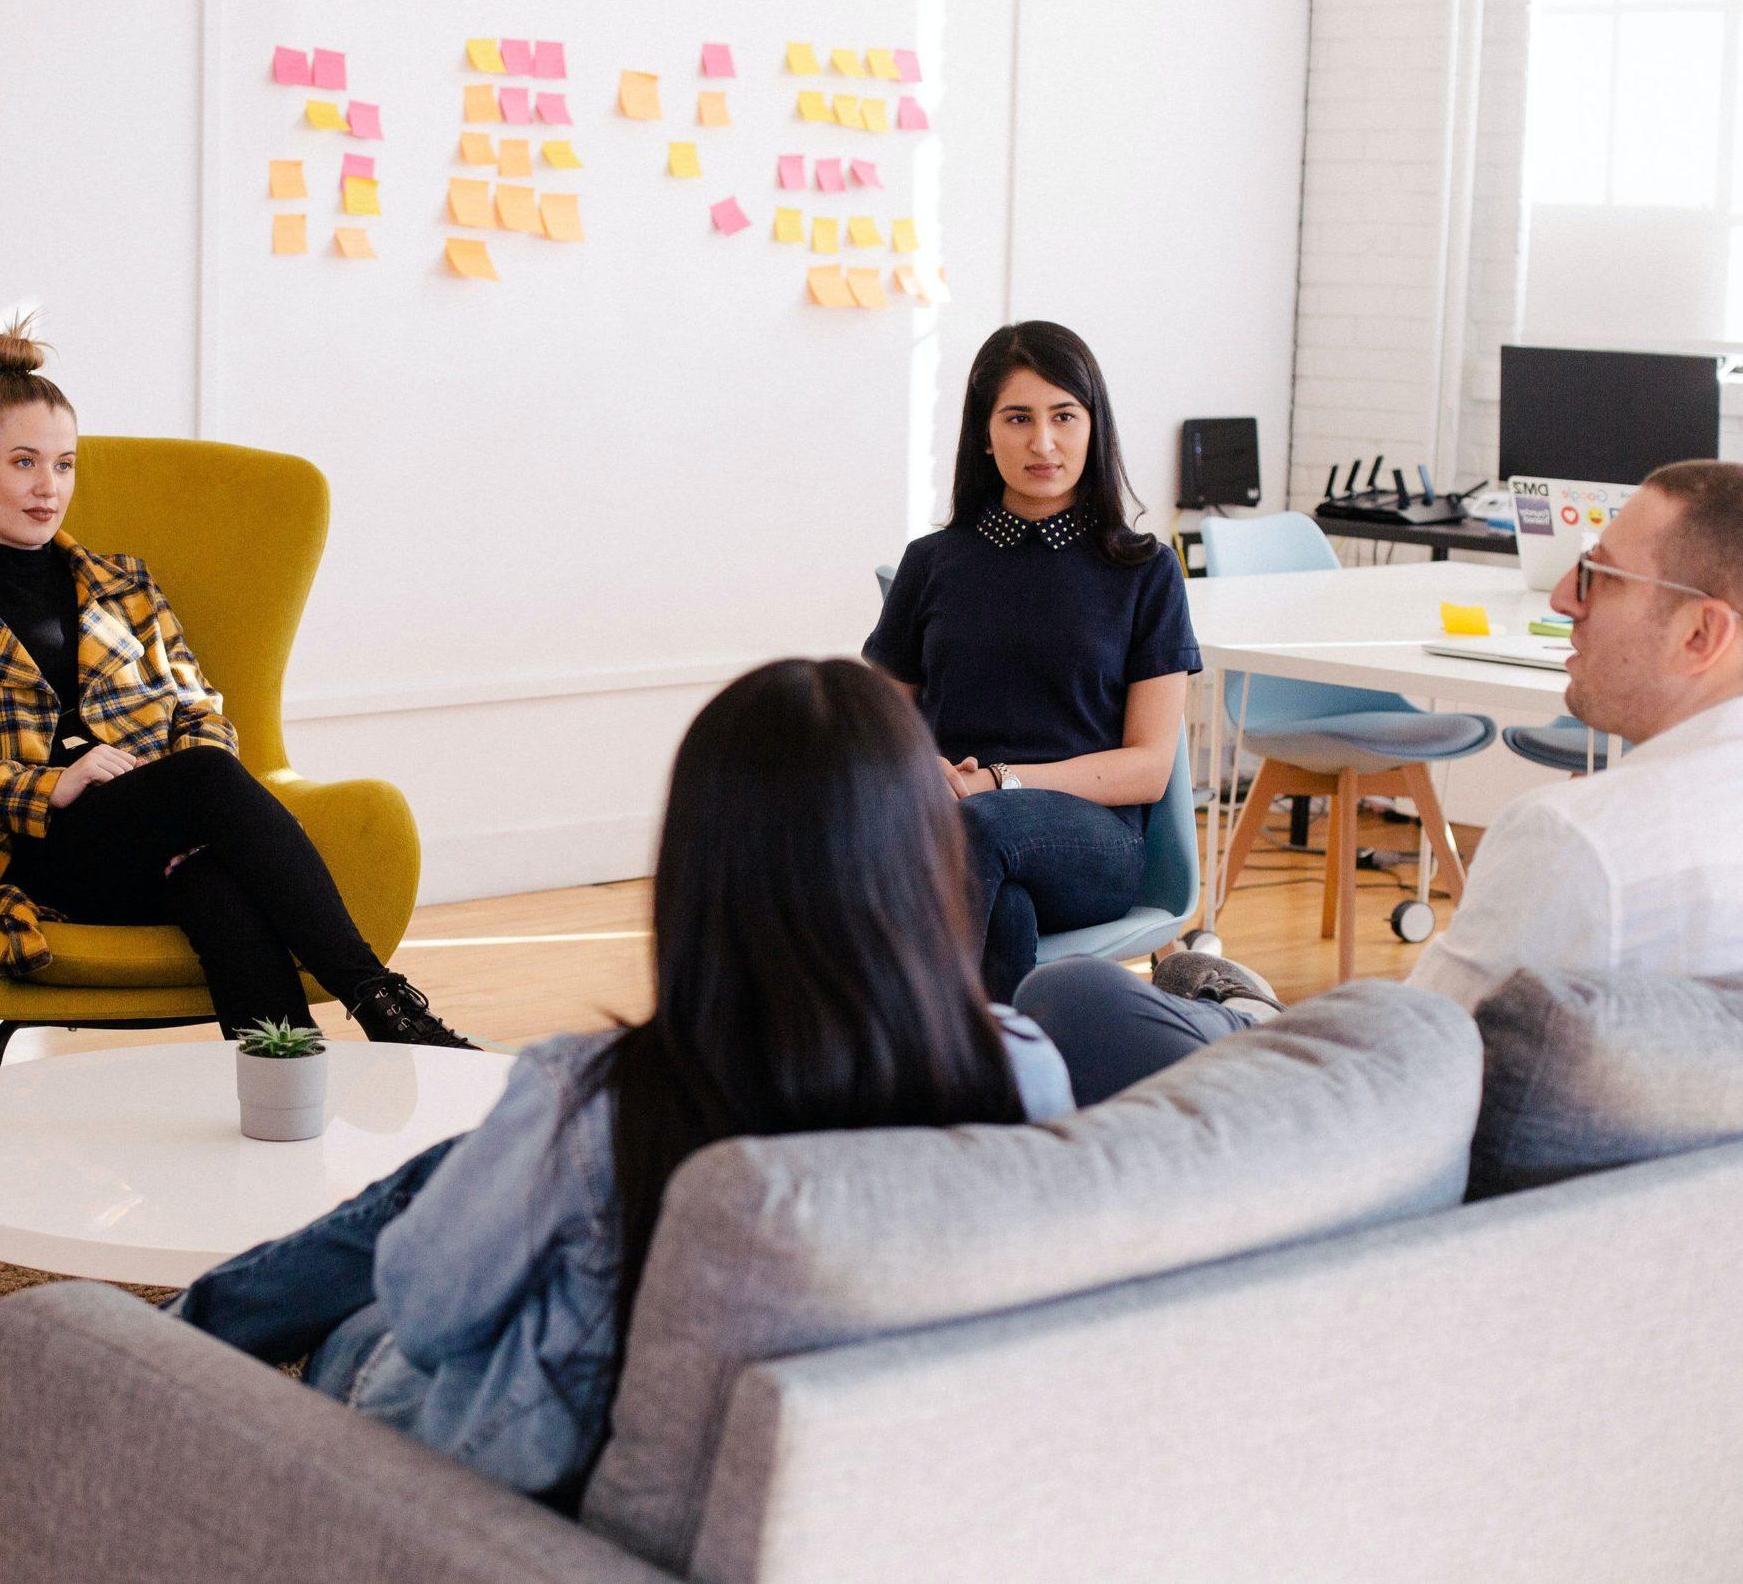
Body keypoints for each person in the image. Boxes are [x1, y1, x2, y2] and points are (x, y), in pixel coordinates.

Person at [170, 658, 1072, 1503]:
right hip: (842, 1475)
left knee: (382, 1289)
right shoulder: (1020, 1064)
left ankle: (155, 1347)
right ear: (924, 855)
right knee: (462, 1166)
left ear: (700, 865)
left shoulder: (603, 1097)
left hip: (511, 1476)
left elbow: (427, 1310)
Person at [1020, 459, 1743, 1103]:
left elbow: (1411, 1064)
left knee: (1073, 992)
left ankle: (1255, 1021)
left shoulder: (1577, 843)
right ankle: (1256, 1016)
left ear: (1701, 635)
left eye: (1599, 575)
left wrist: (1297, 1049)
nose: (1561, 598)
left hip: (1350, 1134)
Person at [0, 321, 471, 1047]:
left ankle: (289, 1094)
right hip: (34, 850)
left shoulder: (124, 583)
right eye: (23, 462)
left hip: (156, 830)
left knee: (216, 890)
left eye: (64, 464)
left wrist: (159, 789)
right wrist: (46, 785)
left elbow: (198, 707)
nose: (48, 488)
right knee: (206, 778)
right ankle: (382, 1001)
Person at [864, 321, 1200, 999]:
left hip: (1095, 844)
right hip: (963, 836)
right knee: (1002, 910)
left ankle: (874, 1050)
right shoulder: (932, 564)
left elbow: (1147, 767)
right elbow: (869, 725)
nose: (1042, 442)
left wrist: (998, 780)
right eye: (1018, 418)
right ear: (985, 434)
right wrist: (917, 765)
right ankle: (999, 1089)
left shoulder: (1145, 571)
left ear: (1092, 427)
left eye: (1063, 416)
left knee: (974, 830)